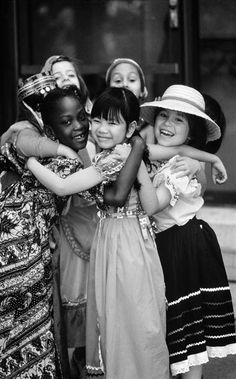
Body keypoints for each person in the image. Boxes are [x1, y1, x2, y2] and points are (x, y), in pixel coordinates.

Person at [27, 87, 171, 379]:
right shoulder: (130, 150)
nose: (102, 129)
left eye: (113, 122)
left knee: (122, 317)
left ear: (130, 127)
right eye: (98, 120)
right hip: (133, 239)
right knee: (137, 316)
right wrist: (169, 189)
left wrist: (26, 161)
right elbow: (152, 205)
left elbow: (63, 186)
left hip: (121, 242)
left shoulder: (116, 156)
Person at [141, 84, 236, 378]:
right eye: (163, 116)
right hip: (172, 242)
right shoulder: (171, 155)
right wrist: (209, 160)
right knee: (176, 329)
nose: (167, 124)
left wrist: (200, 164)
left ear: (192, 131)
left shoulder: (180, 167)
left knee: (189, 331)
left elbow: (153, 207)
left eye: (178, 120)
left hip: (183, 245)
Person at [0, 77, 89, 379]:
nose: (78, 126)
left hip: (33, 261)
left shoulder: (70, 162)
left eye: (82, 118)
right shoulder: (40, 145)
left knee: (30, 339)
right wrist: (60, 151)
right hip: (13, 256)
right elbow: (18, 141)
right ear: (49, 129)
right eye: (67, 121)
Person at [105, 57, 156, 143]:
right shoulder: (103, 121)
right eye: (118, 81)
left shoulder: (148, 126)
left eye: (132, 80)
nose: (124, 84)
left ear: (143, 91)